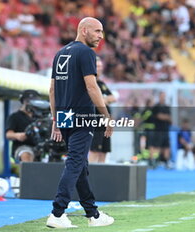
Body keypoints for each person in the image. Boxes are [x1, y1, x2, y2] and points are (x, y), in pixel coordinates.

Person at [46, 17, 114, 228]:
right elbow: (92, 87)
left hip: (65, 117)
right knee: (75, 163)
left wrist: (56, 120)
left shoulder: (60, 54)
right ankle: (57, 213)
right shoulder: (86, 53)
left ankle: (93, 214)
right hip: (82, 117)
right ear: (84, 30)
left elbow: (52, 90)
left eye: (102, 32)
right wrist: (105, 115)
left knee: (80, 166)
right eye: (97, 31)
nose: (100, 36)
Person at [88, 57, 116, 163]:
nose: (99, 69)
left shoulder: (101, 83)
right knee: (95, 150)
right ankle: (89, 174)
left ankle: (102, 174)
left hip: (106, 121)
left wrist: (103, 99)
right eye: (97, 66)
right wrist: (102, 100)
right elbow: (93, 100)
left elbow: (113, 98)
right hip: (96, 121)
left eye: (100, 66)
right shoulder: (90, 82)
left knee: (104, 150)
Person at [6, 90, 38, 162]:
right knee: (26, 154)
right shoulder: (15, 117)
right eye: (28, 101)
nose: (30, 103)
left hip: (40, 146)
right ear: (23, 101)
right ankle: (28, 172)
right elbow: (8, 134)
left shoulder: (39, 116)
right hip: (23, 146)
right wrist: (17, 135)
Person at [149, 92, 172, 169]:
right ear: (159, 97)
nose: (163, 98)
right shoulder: (156, 107)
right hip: (158, 130)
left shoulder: (167, 107)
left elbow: (170, 118)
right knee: (157, 146)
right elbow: (159, 116)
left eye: (164, 96)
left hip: (166, 130)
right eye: (162, 96)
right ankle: (154, 161)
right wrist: (166, 117)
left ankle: (166, 161)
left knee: (166, 146)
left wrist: (165, 117)